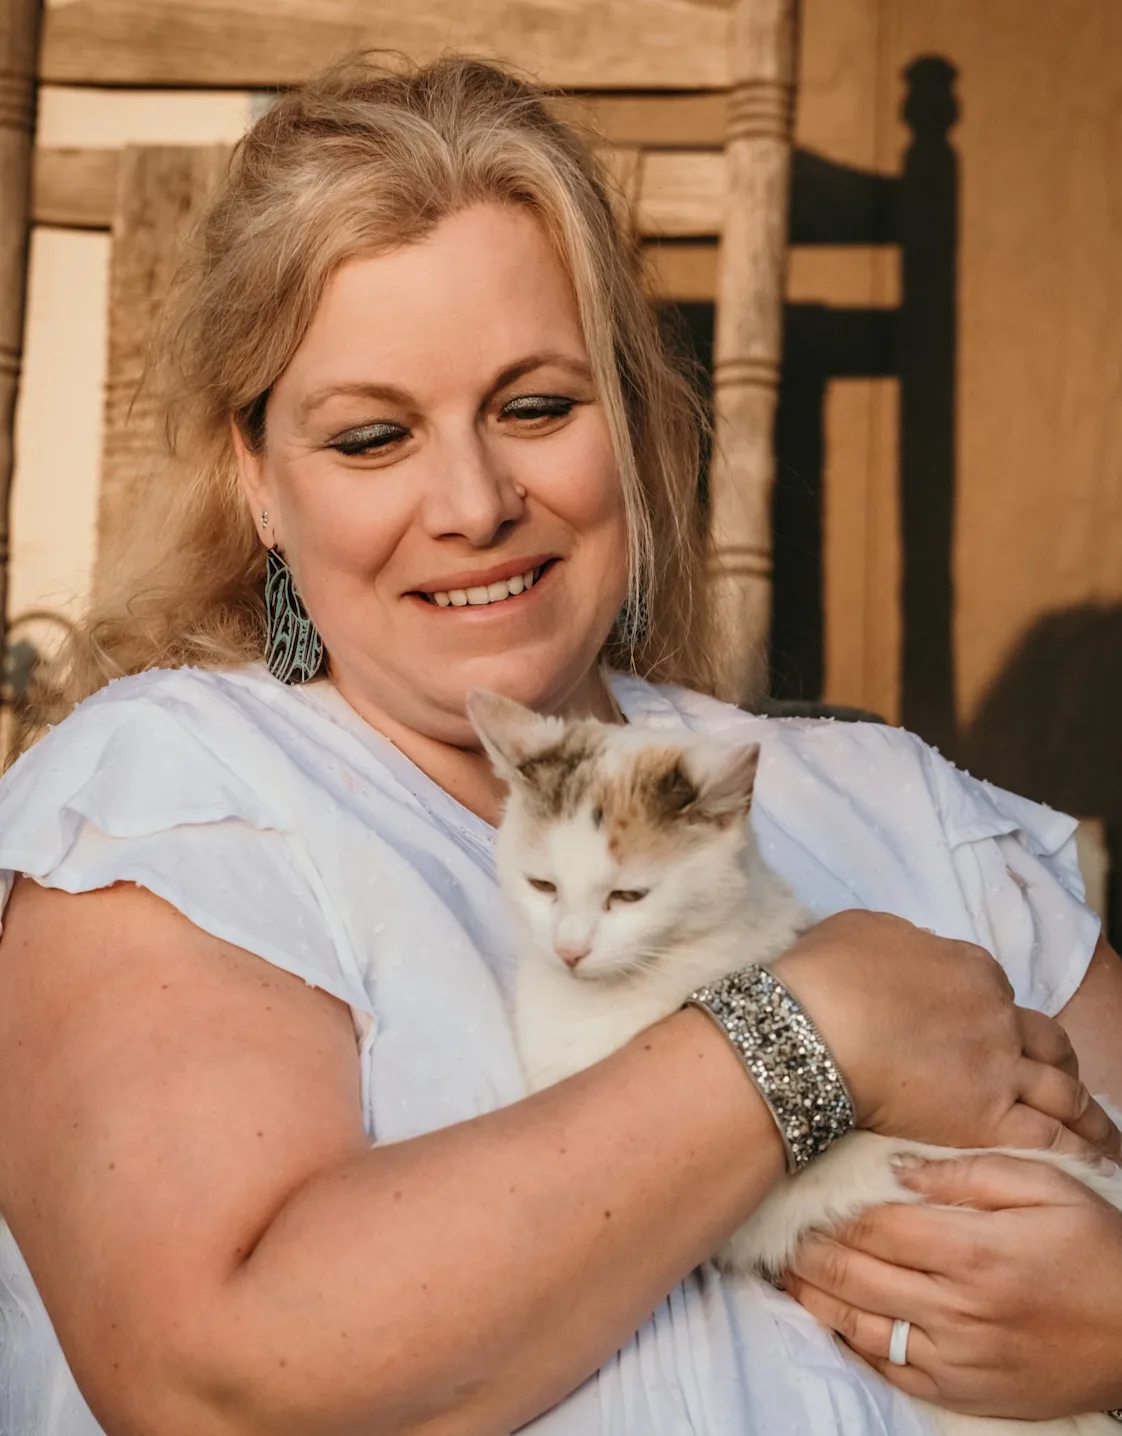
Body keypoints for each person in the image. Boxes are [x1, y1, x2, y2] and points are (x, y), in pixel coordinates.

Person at [0, 56, 1119, 1436]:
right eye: (370, 437)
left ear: (637, 420)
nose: (472, 502)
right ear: (258, 481)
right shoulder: (177, 800)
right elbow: (218, 1381)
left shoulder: (889, 806)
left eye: (536, 407)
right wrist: (812, 1030)